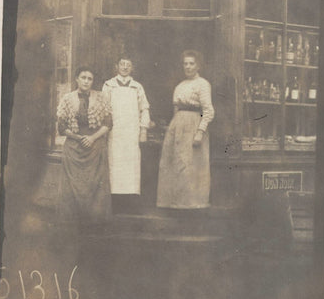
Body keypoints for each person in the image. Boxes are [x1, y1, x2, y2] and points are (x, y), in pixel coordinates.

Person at [157, 50, 214, 209]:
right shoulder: (180, 86)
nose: (188, 67)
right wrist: (173, 129)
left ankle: (191, 205)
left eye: (191, 63)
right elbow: (176, 110)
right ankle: (174, 204)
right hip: (177, 127)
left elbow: (208, 111)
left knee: (190, 166)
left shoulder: (203, 84)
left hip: (193, 126)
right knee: (174, 163)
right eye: (185, 63)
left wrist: (200, 132)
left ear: (198, 65)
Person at [56, 66, 112, 228]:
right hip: (74, 146)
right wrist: (79, 137)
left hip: (95, 146)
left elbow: (108, 123)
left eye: (90, 79)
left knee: (95, 184)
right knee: (72, 184)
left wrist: (92, 138)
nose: (86, 81)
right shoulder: (67, 98)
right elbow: (62, 127)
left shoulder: (101, 98)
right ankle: (71, 223)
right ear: (77, 79)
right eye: (83, 77)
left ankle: (94, 222)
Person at [102, 56, 150, 212]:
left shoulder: (137, 87)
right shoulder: (109, 85)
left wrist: (143, 130)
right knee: (115, 165)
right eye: (122, 64)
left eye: (128, 65)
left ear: (132, 68)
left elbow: (144, 109)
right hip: (114, 133)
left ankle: (131, 203)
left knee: (132, 166)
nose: (124, 67)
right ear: (117, 66)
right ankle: (115, 203)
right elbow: (103, 108)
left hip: (131, 133)